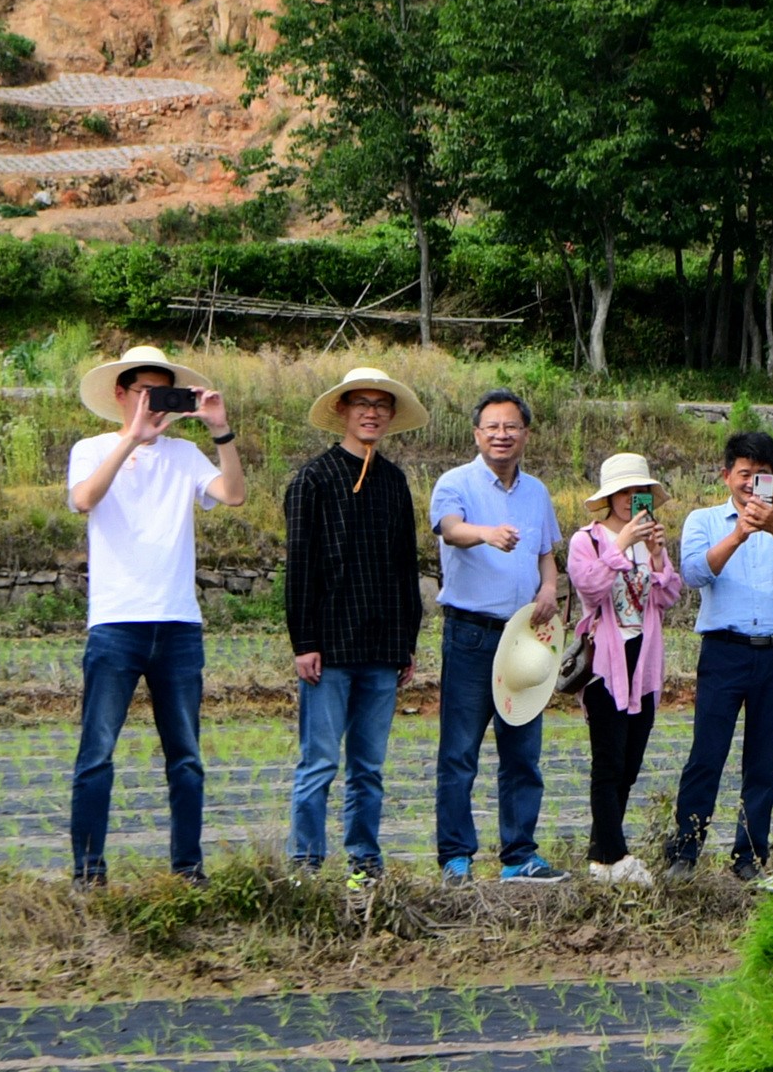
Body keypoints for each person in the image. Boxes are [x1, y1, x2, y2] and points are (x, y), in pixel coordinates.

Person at [65, 345, 246, 884]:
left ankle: (188, 869)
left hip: (178, 623)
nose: (153, 402)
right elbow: (84, 499)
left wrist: (220, 430)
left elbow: (233, 495)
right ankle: (88, 873)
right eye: (144, 391)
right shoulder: (92, 448)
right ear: (120, 394)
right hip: (115, 622)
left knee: (186, 757)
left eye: (162, 393)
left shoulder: (185, 454)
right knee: (96, 754)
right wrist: (132, 439)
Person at [283, 364, 428, 887]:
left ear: (390, 415)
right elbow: (301, 566)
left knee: (368, 767)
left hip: (382, 647)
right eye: (362, 403)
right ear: (342, 410)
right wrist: (305, 642)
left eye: (381, 405)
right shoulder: (313, 479)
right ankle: (305, 867)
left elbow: (405, 567)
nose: (372, 412)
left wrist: (406, 641)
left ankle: (365, 863)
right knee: (319, 762)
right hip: (329, 647)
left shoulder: (394, 481)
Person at [666, 431, 773, 879]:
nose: (752, 484)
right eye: (745, 474)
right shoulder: (704, 520)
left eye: (762, 475)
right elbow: (694, 573)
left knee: (763, 760)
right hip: (724, 651)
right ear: (726, 475)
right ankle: (685, 850)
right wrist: (738, 534)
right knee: (706, 755)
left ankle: (750, 856)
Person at [429, 388, 566, 884]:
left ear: (525, 434)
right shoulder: (455, 483)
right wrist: (486, 533)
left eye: (511, 426)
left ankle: (518, 855)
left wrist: (548, 587)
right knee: (460, 752)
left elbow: (546, 553)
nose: (501, 435)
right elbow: (450, 529)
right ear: (477, 434)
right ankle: (456, 858)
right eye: (492, 427)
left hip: (525, 639)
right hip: (471, 635)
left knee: (522, 753)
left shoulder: (537, 492)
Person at [568, 452, 680, 885]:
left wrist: (656, 556)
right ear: (610, 497)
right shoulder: (589, 540)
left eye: (641, 492)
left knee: (630, 763)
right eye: (626, 492)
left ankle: (600, 856)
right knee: (608, 761)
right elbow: (590, 589)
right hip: (605, 663)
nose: (634, 499)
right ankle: (617, 856)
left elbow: (667, 598)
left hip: (644, 661)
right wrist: (620, 545)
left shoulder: (650, 542)